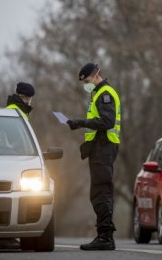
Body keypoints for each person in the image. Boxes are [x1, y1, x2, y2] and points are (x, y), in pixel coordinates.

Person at [67, 63, 121, 251]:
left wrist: (81, 123)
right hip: (100, 147)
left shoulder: (104, 93)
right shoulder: (98, 93)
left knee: (101, 192)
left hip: (104, 147)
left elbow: (107, 122)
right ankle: (104, 235)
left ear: (95, 75)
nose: (86, 85)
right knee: (98, 191)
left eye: (87, 80)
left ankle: (105, 237)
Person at [0, 81, 35, 250]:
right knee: (12, 199)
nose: (29, 101)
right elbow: (14, 142)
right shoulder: (15, 113)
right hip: (12, 163)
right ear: (24, 97)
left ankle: (7, 238)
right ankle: (7, 238)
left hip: (8, 162)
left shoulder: (12, 110)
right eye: (29, 98)